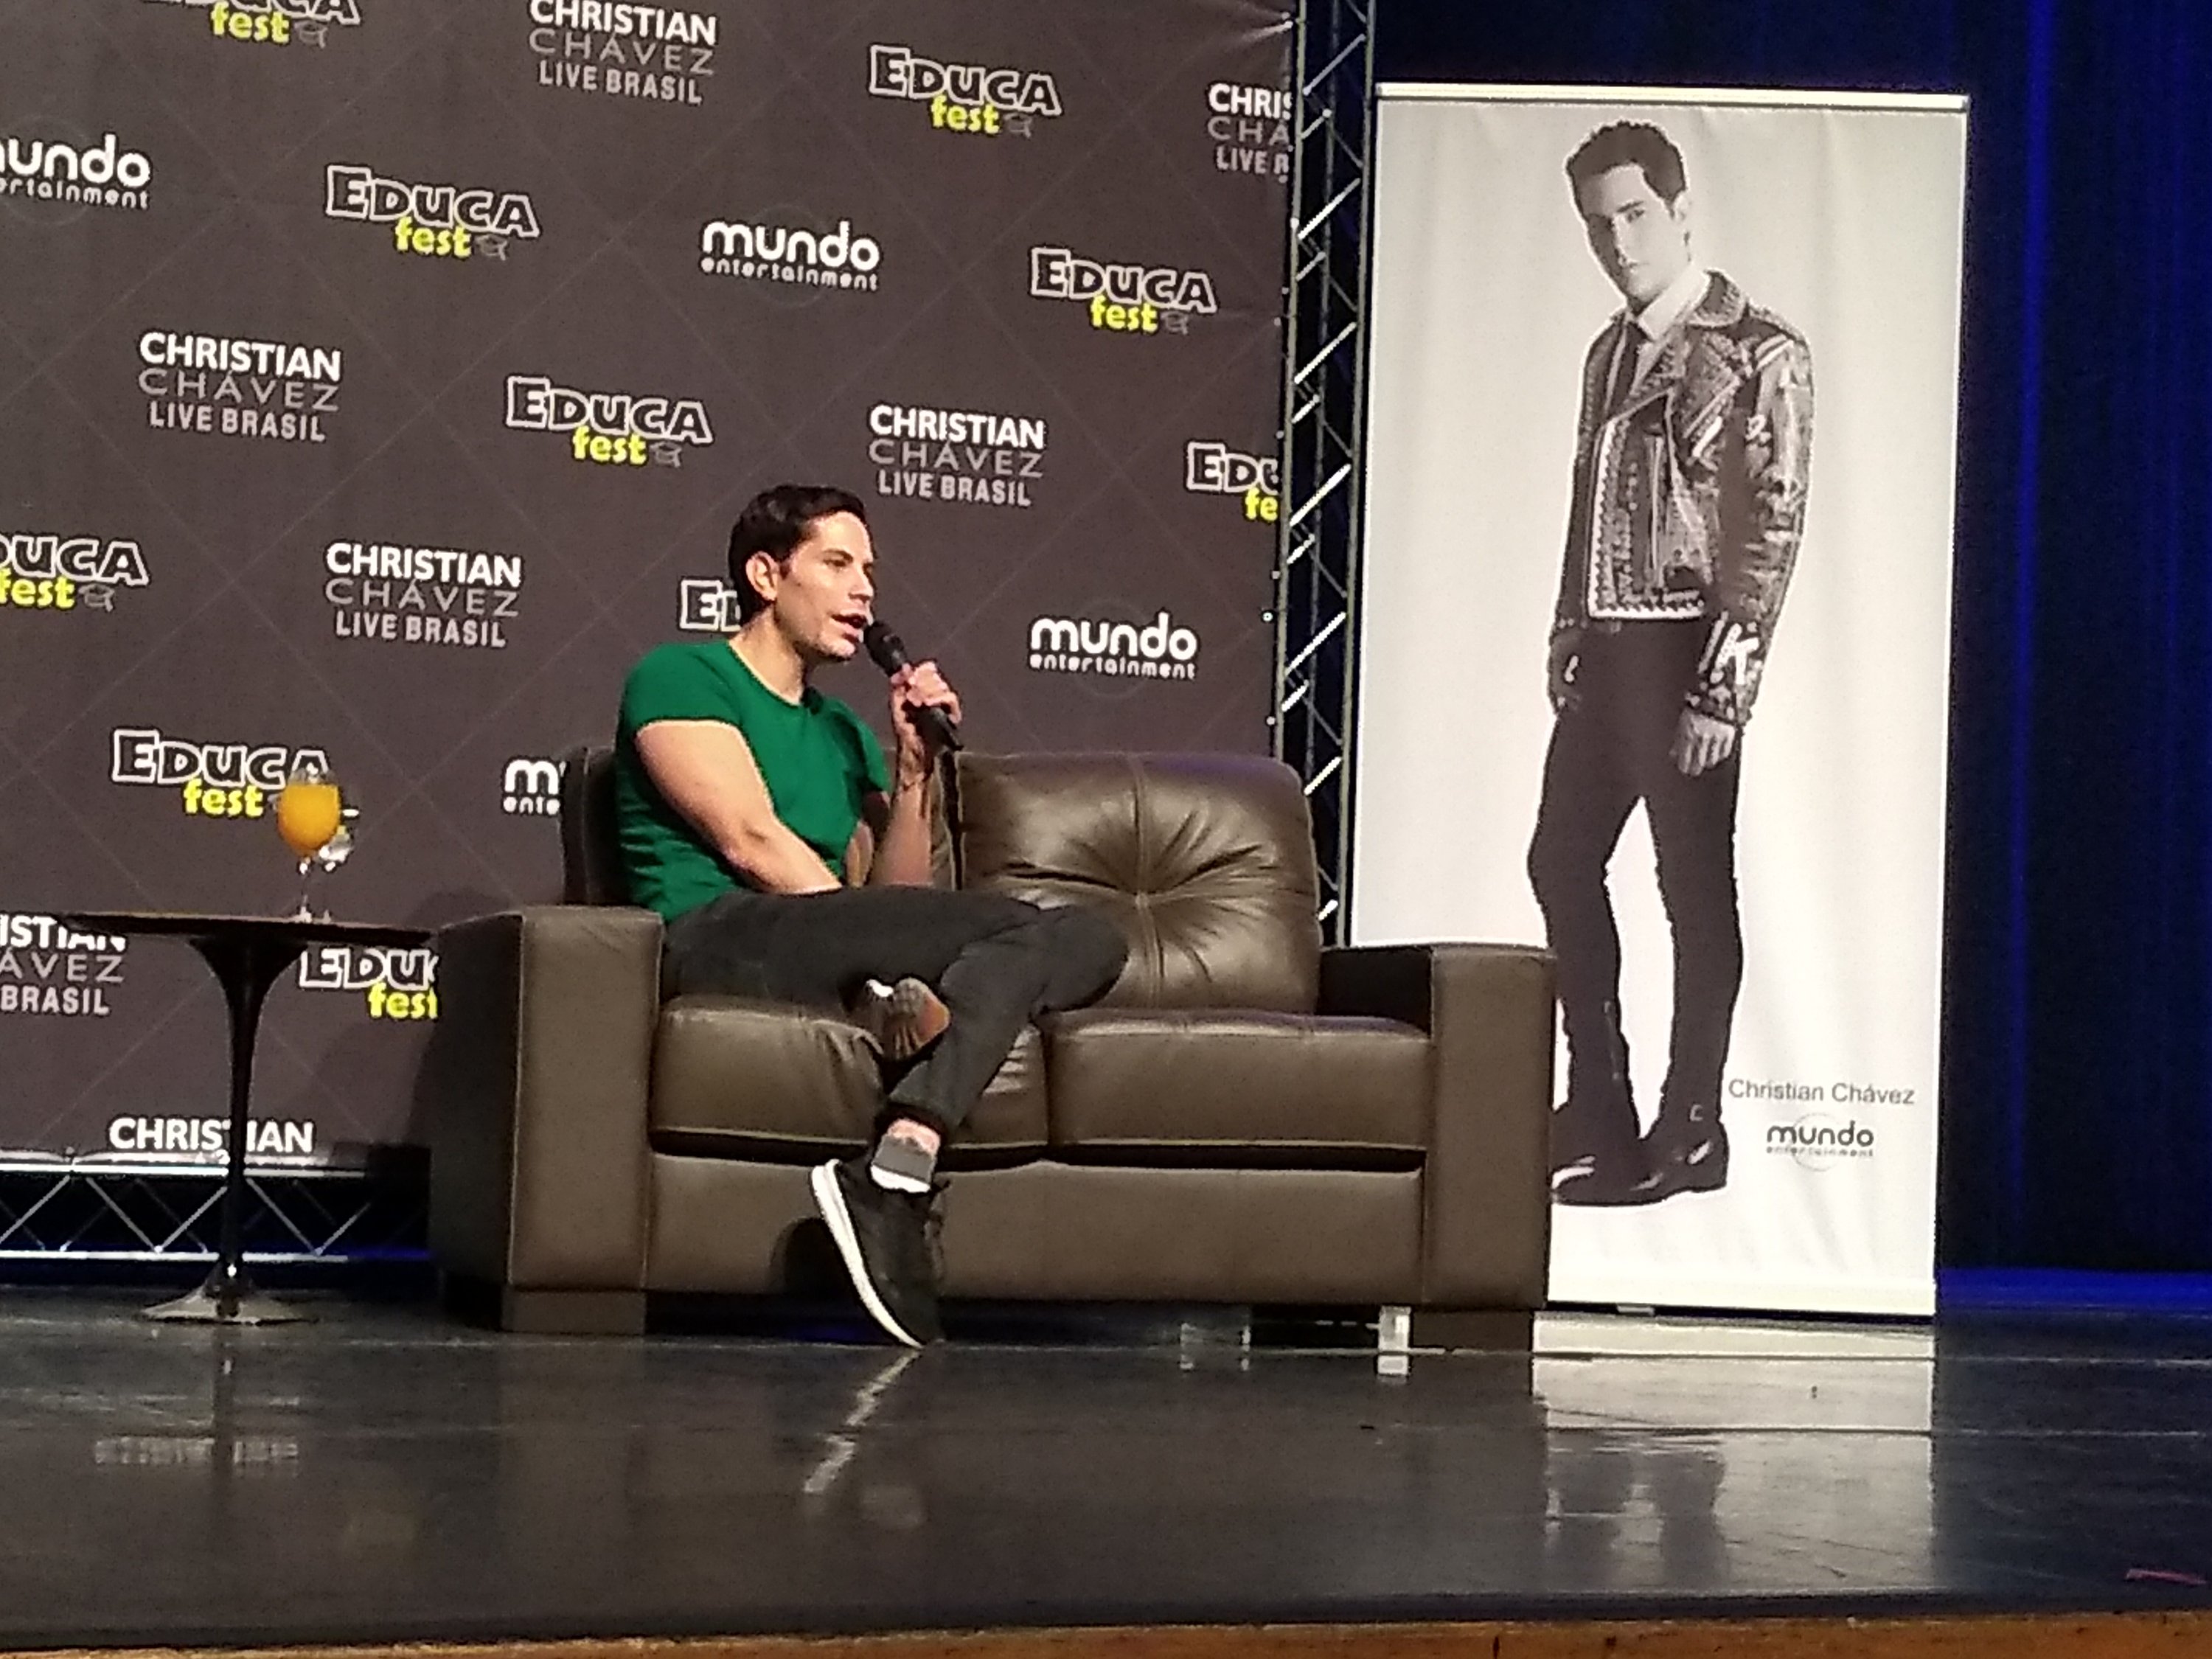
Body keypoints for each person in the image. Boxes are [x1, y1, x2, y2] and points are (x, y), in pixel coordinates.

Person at [614, 484, 1128, 1343]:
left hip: (819, 939)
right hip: (720, 937)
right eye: (837, 564)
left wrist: (914, 775)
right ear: (766, 576)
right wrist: (884, 949)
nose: (864, 592)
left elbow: (894, 894)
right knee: (1010, 928)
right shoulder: (680, 676)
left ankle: (904, 1152)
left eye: (870, 572)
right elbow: (750, 841)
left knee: (1094, 934)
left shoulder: (844, 733)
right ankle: (894, 1072)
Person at [1529, 122, 1814, 1207]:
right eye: (1599, 223)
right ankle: (1597, 1102)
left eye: (1636, 214)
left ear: (1682, 212)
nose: (1619, 240)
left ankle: (1691, 1123)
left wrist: (1723, 690)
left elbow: (1771, 527)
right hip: (1609, 649)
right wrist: (1568, 624)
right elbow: (1587, 497)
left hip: (1689, 648)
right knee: (1561, 860)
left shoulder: (1760, 349)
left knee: (1691, 886)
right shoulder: (1608, 352)